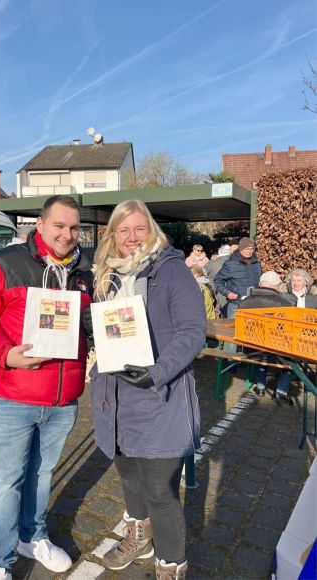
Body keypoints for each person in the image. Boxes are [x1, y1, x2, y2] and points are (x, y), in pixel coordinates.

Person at [0, 195, 93, 580]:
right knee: (5, 483)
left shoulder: (85, 271)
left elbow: (89, 324)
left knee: (42, 474)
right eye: (59, 225)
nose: (67, 234)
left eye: (74, 227)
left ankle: (32, 536)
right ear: (40, 225)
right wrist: (3, 354)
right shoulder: (6, 263)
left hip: (62, 400)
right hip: (10, 396)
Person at [87, 200, 206, 579]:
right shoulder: (106, 276)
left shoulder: (171, 271)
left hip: (159, 397)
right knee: (130, 477)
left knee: (159, 491)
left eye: (140, 229)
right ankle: (140, 536)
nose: (132, 237)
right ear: (113, 235)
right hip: (115, 400)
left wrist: (157, 372)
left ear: (152, 231)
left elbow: (192, 332)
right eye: (123, 230)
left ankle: (171, 565)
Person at [238, 271, 293, 398]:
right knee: (295, 361)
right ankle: (281, 390)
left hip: (250, 348)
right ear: (276, 286)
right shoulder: (284, 304)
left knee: (259, 354)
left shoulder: (245, 301)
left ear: (260, 283)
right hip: (275, 350)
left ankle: (261, 386)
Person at [214, 237, 261, 320]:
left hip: (254, 304)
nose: (249, 251)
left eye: (251, 249)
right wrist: (227, 293)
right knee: (234, 328)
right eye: (247, 249)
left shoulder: (257, 263)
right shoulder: (230, 264)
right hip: (236, 304)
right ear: (241, 249)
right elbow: (218, 280)